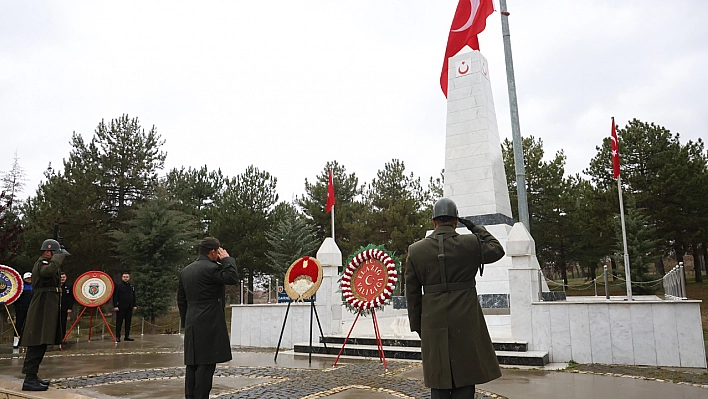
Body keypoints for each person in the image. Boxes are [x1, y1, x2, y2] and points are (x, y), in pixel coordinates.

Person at [405, 198, 506, 399]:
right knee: (466, 378)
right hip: (466, 319)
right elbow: (497, 249)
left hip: (433, 322)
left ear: (434, 221)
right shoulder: (470, 243)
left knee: (439, 380)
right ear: (456, 221)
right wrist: (476, 228)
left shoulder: (415, 251)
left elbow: (412, 294)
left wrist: (418, 326)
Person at [178, 237, 239, 399]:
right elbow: (232, 277)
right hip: (209, 322)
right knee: (206, 365)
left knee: (192, 365)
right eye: (218, 251)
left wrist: (186, 321)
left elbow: (181, 300)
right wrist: (227, 259)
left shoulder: (186, 271)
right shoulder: (212, 269)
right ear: (213, 252)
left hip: (192, 321)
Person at [19, 239, 67, 391]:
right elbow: (47, 273)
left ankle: (32, 376)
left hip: (47, 306)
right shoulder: (43, 264)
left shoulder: (47, 263)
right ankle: (29, 378)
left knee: (42, 341)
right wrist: (57, 258)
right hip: (41, 305)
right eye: (55, 252)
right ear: (48, 251)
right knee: (36, 341)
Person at [113, 271, 137, 342]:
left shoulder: (131, 286)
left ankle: (127, 336)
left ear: (129, 278)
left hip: (129, 307)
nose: (125, 278)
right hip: (120, 307)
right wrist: (115, 305)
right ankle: (117, 336)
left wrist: (134, 305)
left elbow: (133, 296)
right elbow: (115, 296)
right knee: (119, 322)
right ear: (122, 277)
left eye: (127, 277)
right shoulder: (118, 286)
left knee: (128, 322)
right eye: (124, 277)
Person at [13, 272, 34, 349]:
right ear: (24, 279)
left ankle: (29, 341)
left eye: (30, 278)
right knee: (19, 324)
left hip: (32, 308)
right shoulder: (20, 287)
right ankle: (16, 341)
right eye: (27, 278)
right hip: (21, 308)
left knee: (30, 325)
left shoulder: (34, 286)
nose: (29, 279)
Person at [59, 272, 74, 342]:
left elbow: (71, 298)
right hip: (56, 308)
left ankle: (62, 339)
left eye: (63, 277)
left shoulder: (69, 286)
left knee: (63, 323)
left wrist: (70, 307)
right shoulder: (56, 286)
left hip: (64, 309)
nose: (62, 279)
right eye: (61, 277)